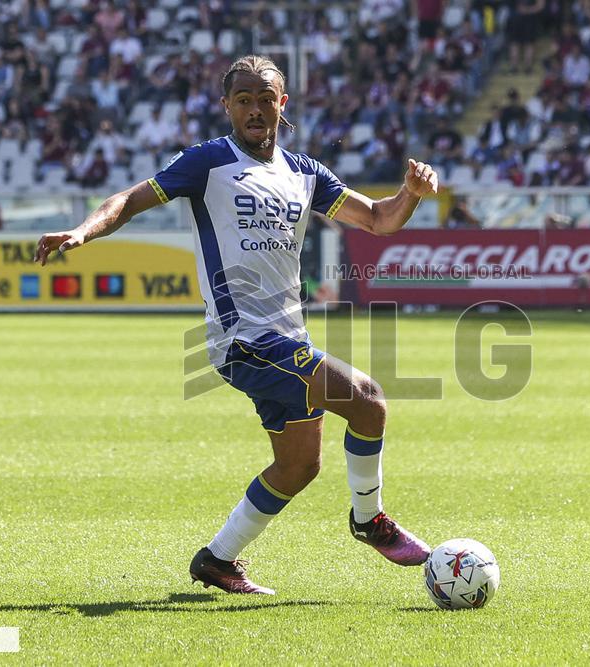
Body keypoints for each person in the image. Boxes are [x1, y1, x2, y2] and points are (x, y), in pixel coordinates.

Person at [33, 55, 438, 595]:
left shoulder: (305, 174)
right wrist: (85, 231)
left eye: (265, 99)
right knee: (367, 399)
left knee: (298, 466)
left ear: (282, 104)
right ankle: (370, 520)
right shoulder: (207, 163)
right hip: (243, 340)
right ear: (226, 106)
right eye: (243, 100)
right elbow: (130, 198)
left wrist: (410, 194)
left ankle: (217, 560)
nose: (254, 110)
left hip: (288, 337)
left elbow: (378, 219)